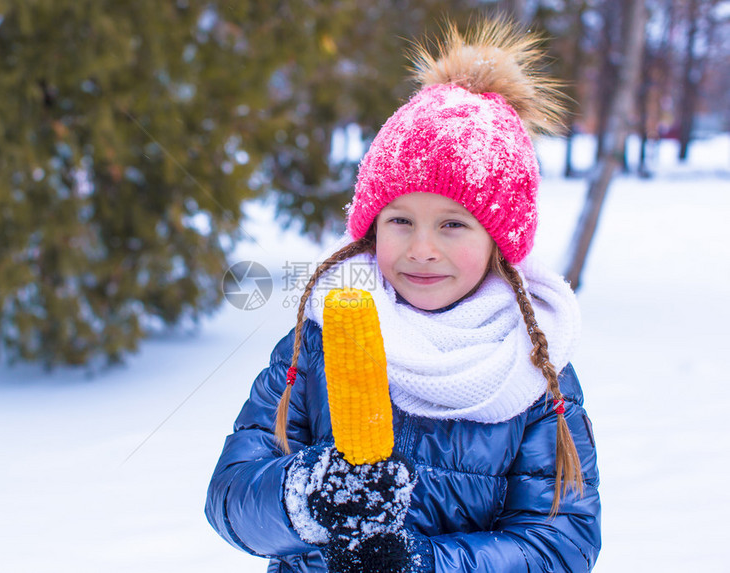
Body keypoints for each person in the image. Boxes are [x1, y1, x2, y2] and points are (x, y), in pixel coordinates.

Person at [205, 18, 600, 573]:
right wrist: (306, 496)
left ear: (499, 241)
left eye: (453, 225)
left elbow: (562, 543)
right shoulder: (316, 343)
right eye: (400, 220)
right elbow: (230, 496)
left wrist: (421, 564)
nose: (421, 248)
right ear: (370, 227)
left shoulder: (532, 365)